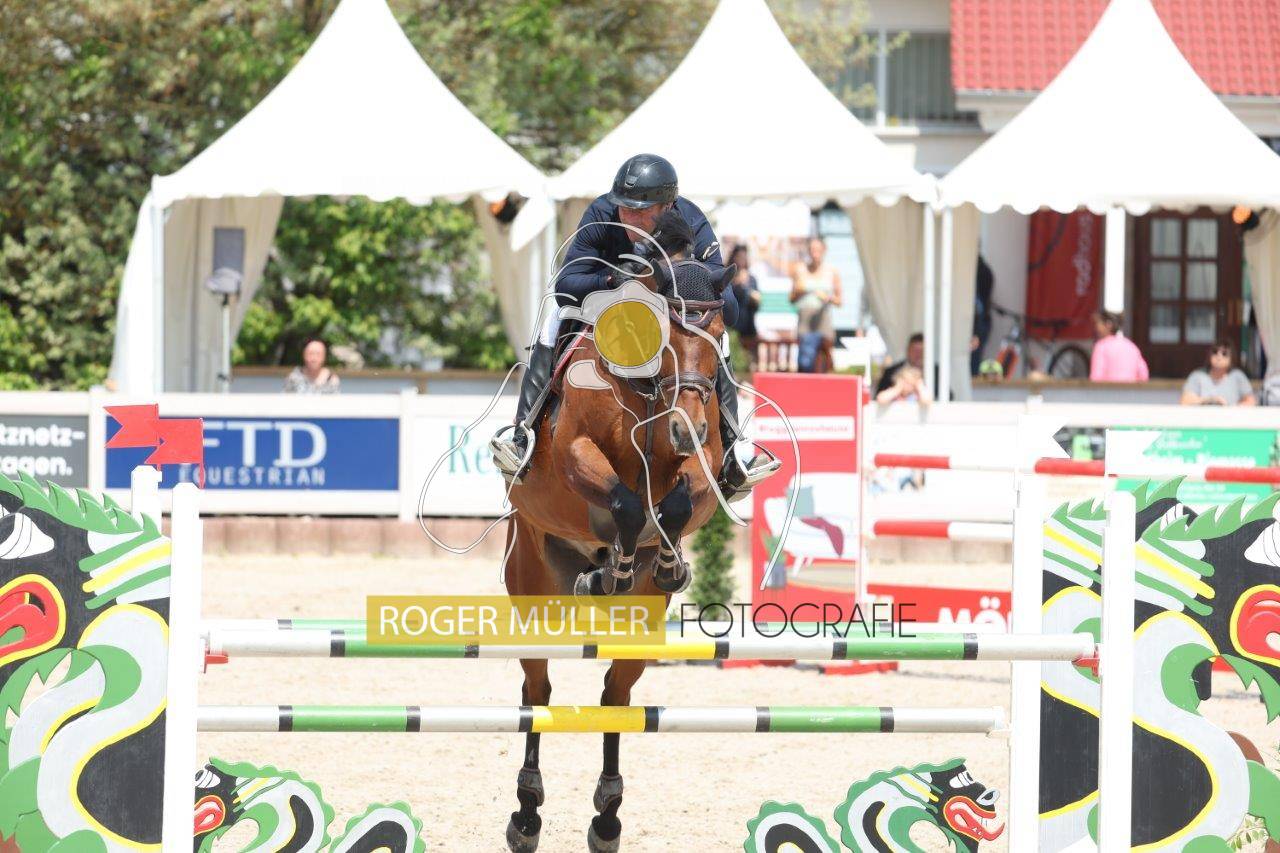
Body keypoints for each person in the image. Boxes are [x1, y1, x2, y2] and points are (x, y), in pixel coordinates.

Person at [490, 153, 776, 499]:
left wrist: (695, 278)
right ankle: (523, 438)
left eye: (642, 211)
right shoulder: (602, 213)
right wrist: (613, 278)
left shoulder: (692, 220)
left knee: (720, 337)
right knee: (554, 320)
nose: (630, 218)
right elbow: (565, 286)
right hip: (609, 306)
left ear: (668, 206)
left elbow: (729, 308)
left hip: (668, 315)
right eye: (626, 209)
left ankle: (733, 450)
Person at [790, 237, 842, 370]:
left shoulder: (832, 271)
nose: (815, 254)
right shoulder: (800, 270)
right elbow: (791, 298)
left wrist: (828, 298)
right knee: (805, 362)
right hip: (805, 321)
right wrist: (799, 291)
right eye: (812, 250)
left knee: (824, 361)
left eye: (818, 250)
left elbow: (839, 301)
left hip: (823, 320)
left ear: (824, 251)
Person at [1181, 343, 1256, 406]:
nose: (1219, 357)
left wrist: (1232, 408)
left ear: (1232, 358)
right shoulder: (1198, 375)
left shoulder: (1237, 376)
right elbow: (1185, 401)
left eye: (1224, 353)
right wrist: (1211, 401)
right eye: (1215, 352)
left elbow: (1251, 401)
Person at [727, 244, 761, 368]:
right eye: (739, 256)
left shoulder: (752, 279)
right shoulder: (727, 277)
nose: (741, 259)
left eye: (744, 257)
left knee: (750, 364)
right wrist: (736, 283)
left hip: (748, 329)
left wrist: (747, 289)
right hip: (731, 329)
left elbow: (758, 302)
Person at [1089, 312, 1149, 382]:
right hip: (1130, 388)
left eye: (1098, 324)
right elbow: (1143, 375)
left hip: (1108, 388)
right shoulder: (1131, 346)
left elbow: (1096, 376)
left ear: (1108, 325)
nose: (1095, 328)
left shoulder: (1101, 346)